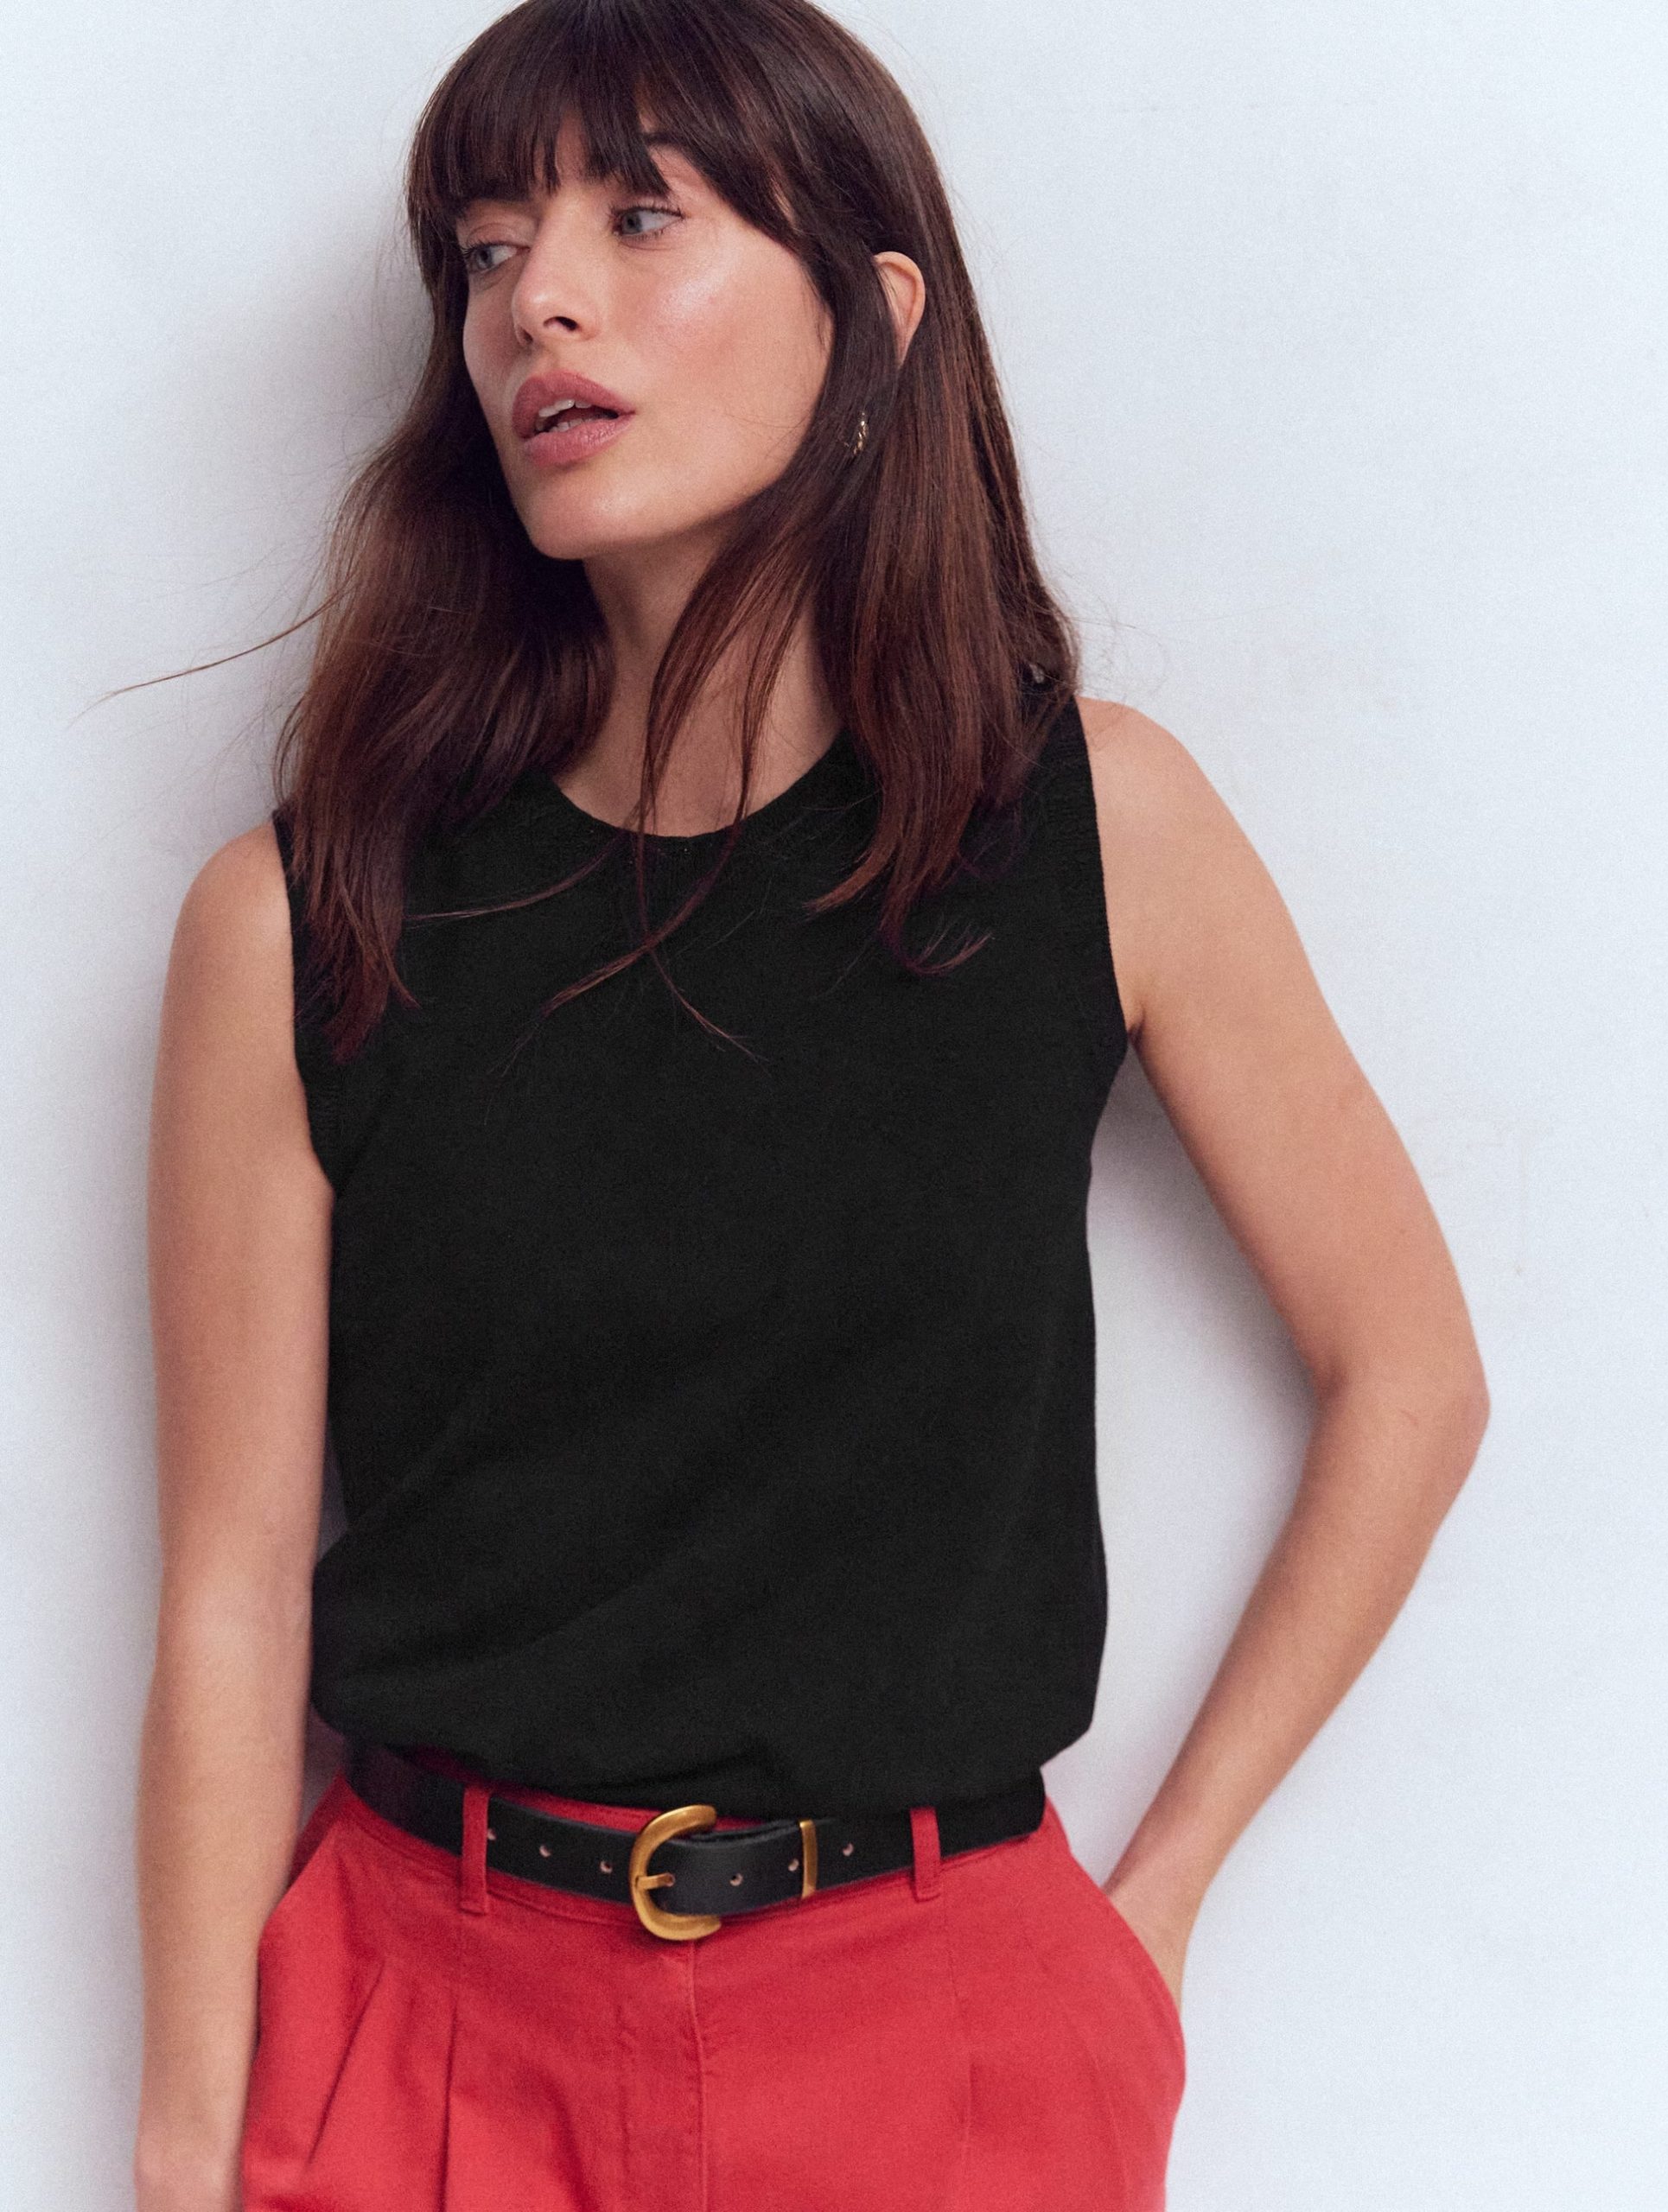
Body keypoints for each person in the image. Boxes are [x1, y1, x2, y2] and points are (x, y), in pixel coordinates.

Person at [132, 1, 1489, 2207]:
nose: (536, 302)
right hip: (427, 2034)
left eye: (639, 214)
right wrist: (194, 2138)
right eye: (486, 249)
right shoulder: (304, 918)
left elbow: (1410, 1369)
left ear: (876, 317)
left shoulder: (1095, 831)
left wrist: (1150, 1910)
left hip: (946, 2039)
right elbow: (225, 1595)